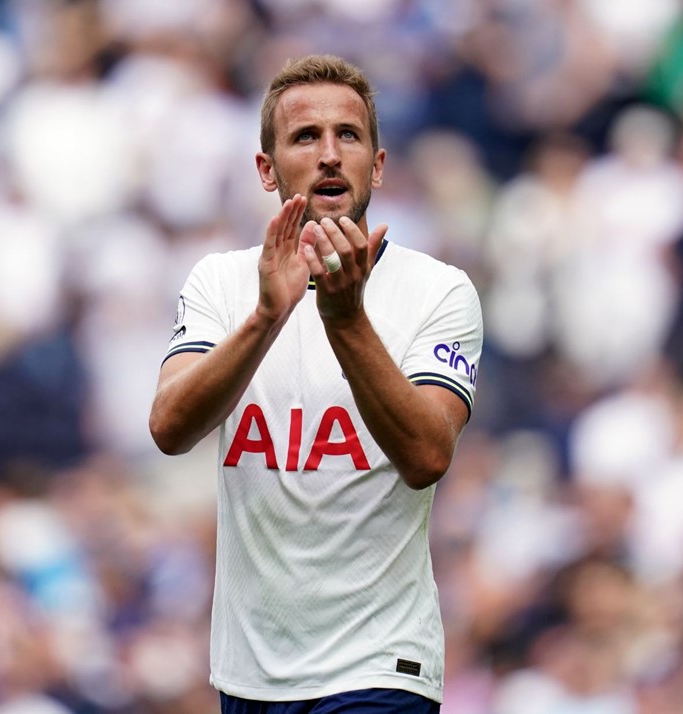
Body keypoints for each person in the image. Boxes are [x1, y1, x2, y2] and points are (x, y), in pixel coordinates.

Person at [149, 54, 483, 713]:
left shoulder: (438, 290)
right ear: (266, 169)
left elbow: (426, 456)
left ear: (378, 165)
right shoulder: (221, 283)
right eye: (306, 137)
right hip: (249, 671)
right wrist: (269, 316)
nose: (330, 155)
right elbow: (169, 427)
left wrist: (345, 317)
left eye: (348, 136)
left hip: (380, 665)